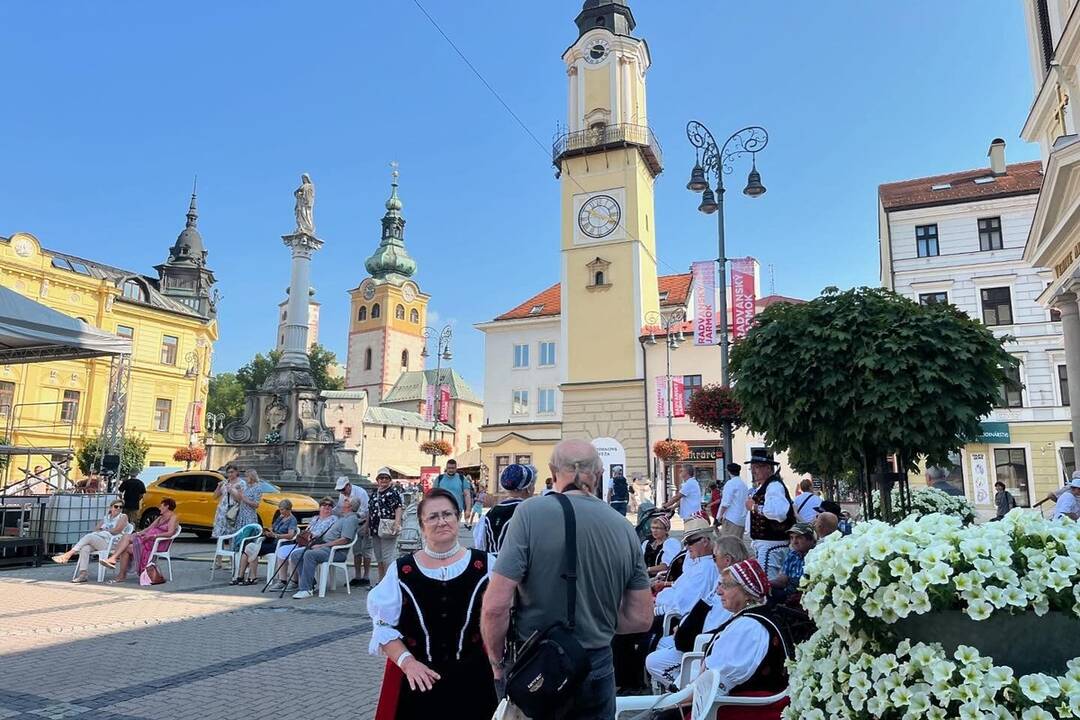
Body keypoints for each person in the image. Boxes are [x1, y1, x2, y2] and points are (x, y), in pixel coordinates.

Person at [481, 439, 654, 720]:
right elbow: (641, 618)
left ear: (552, 471)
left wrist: (497, 662)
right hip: (596, 664)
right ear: (598, 474)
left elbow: (495, 606)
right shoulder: (623, 527)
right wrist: (596, 621)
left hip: (538, 664)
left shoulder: (529, 514)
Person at [370, 489, 498, 718]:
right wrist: (407, 663)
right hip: (420, 680)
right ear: (421, 525)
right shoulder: (402, 571)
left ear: (457, 518)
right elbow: (383, 627)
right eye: (433, 517)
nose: (442, 522)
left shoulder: (486, 564)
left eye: (447, 514)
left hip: (474, 680)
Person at [645, 536, 751, 689]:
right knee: (656, 650)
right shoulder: (722, 577)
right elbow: (702, 606)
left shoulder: (733, 587)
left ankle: (682, 693)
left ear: (727, 560)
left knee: (654, 657)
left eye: (715, 557)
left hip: (704, 644)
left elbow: (718, 622)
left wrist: (686, 631)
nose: (720, 591)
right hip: (694, 635)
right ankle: (680, 691)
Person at [700, 559, 793, 708]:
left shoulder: (749, 627)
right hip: (726, 700)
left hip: (741, 707)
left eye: (726, 585)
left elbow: (717, 684)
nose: (719, 591)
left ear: (747, 592)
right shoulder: (750, 617)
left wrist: (674, 702)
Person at [292, 496, 361, 599]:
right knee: (296, 554)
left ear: (350, 506)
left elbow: (344, 540)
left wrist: (322, 545)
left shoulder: (351, 519)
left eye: (346, 501)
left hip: (336, 552)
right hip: (325, 548)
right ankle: (310, 583)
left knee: (309, 554)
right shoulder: (344, 517)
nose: (343, 502)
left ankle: (306, 589)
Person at [743, 453, 795, 580]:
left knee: (767, 582)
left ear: (768, 468)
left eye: (758, 467)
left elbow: (779, 512)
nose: (754, 471)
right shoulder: (765, 486)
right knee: (766, 580)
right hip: (766, 544)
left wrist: (755, 508)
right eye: (752, 468)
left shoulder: (774, 486)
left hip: (771, 544)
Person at [51, 498, 129, 583]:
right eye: (116, 506)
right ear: (111, 508)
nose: (118, 509)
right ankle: (83, 574)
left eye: (120, 507)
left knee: (89, 537)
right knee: (85, 548)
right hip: (101, 540)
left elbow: (117, 530)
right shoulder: (106, 518)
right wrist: (102, 531)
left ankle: (68, 554)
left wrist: (103, 530)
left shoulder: (123, 517)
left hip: (112, 543)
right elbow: (95, 530)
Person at [100, 499, 178, 583]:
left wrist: (154, 536)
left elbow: (170, 533)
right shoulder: (160, 517)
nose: (159, 508)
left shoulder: (173, 517)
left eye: (161, 506)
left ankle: (117, 566)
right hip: (148, 539)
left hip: (158, 542)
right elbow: (149, 528)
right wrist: (139, 533)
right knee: (126, 537)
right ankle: (114, 560)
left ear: (167, 507)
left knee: (126, 548)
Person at [272, 498, 339, 592]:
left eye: (330, 506)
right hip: (305, 542)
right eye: (324, 505)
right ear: (320, 507)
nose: (327, 507)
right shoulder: (315, 518)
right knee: (282, 551)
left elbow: (323, 533)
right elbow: (308, 529)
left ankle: (294, 581)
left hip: (316, 543)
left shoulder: (333, 519)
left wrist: (311, 535)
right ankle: (282, 580)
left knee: (294, 554)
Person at [654, 524, 721, 617]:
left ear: (705, 542)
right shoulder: (699, 564)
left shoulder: (705, 569)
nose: (687, 547)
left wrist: (654, 610)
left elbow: (684, 605)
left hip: (670, 615)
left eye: (690, 542)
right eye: (686, 543)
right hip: (664, 604)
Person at [234, 499, 298, 586]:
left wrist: (276, 535)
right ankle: (241, 577)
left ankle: (251, 577)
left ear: (288, 509)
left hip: (280, 544)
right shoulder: (280, 517)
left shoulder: (292, 520)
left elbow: (291, 535)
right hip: (271, 541)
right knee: (249, 548)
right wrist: (268, 532)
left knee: (250, 548)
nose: (280, 511)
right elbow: (273, 527)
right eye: (280, 509)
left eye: (282, 509)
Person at [474, 463, 534, 554]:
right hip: (517, 565)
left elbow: (480, 546)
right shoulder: (528, 512)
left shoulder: (490, 513)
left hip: (491, 565)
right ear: (528, 488)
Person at [334, 476, 371, 587]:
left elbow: (369, 510)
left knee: (366, 551)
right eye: (340, 490)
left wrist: (367, 526)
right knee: (356, 551)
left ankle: (366, 576)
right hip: (354, 524)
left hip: (364, 522)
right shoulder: (342, 495)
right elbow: (340, 509)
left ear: (348, 486)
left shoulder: (361, 492)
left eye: (343, 490)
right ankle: (358, 576)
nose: (342, 492)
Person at [369, 468, 404, 582]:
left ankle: (389, 581)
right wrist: (366, 526)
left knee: (387, 557)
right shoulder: (375, 494)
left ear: (389, 480)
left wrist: (397, 523)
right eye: (381, 478)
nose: (383, 480)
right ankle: (381, 580)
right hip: (375, 528)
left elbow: (398, 507)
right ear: (377, 480)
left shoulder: (392, 492)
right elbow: (370, 510)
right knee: (379, 557)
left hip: (388, 527)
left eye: (386, 478)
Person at [770, 523, 814, 604]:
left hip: (808, 598)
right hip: (789, 594)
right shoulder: (792, 555)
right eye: (791, 538)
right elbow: (782, 581)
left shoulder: (817, 555)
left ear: (810, 539)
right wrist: (765, 583)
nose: (794, 542)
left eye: (799, 537)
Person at [433, 459, 472, 526]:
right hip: (441, 511)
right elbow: (433, 495)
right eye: (449, 468)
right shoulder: (439, 479)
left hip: (456, 511)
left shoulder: (462, 479)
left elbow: (467, 495)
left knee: (453, 532)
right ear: (446, 468)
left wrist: (468, 510)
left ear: (456, 468)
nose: (451, 470)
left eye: (453, 468)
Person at [642, 515, 681, 579]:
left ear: (666, 530)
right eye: (653, 528)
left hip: (661, 578)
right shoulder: (646, 543)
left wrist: (647, 570)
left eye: (658, 528)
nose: (654, 530)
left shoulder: (671, 543)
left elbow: (666, 566)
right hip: (645, 576)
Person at [717, 463, 748, 538]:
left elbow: (726, 503)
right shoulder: (743, 484)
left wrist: (719, 516)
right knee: (738, 542)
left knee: (728, 544)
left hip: (731, 518)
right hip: (741, 518)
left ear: (728, 471)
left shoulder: (730, 483)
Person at [212, 465, 243, 540]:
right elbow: (215, 496)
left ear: (236, 472)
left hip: (232, 510)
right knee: (220, 534)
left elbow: (240, 499)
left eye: (232, 472)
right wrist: (218, 486)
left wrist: (231, 491)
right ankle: (220, 550)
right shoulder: (225, 482)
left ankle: (231, 549)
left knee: (232, 533)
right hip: (222, 511)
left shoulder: (241, 483)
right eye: (228, 472)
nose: (230, 474)